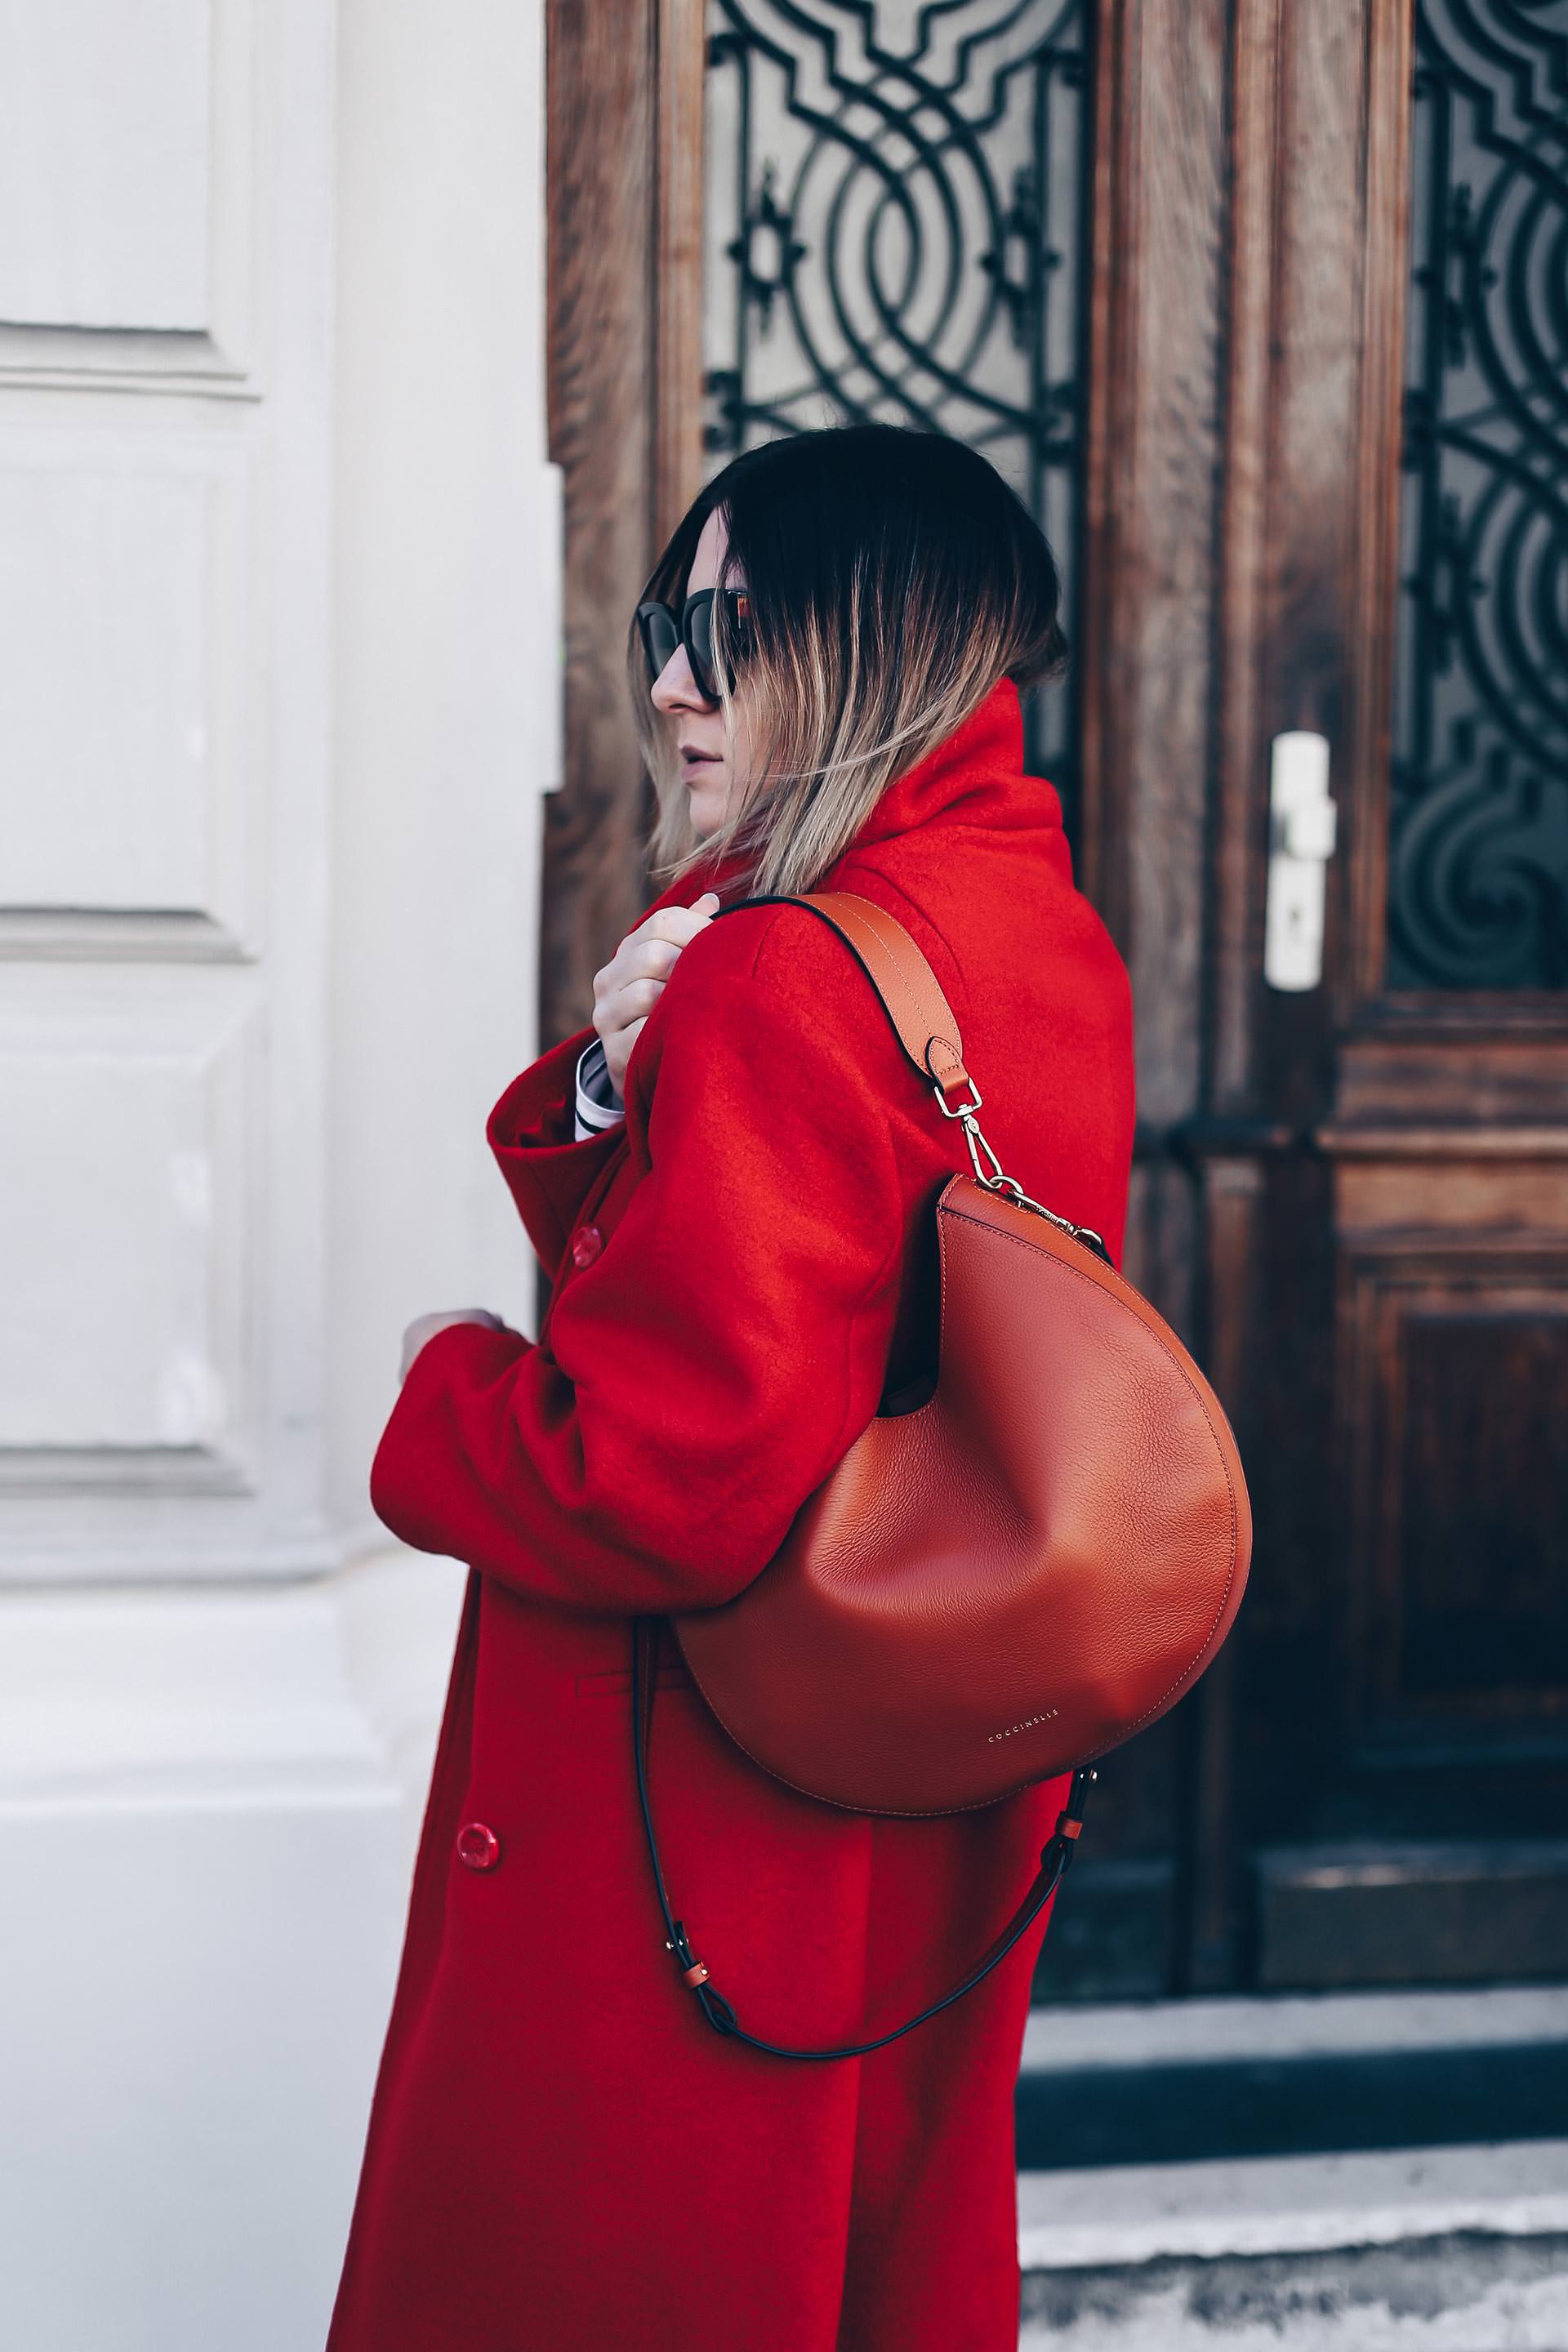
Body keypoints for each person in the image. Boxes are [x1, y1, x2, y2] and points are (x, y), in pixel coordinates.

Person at [324, 423, 1135, 2352]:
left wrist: (440, 1400)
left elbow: (659, 1484)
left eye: (727, 626)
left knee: (628, 2262)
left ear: (875, 640)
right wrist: (629, 1085)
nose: (673, 681)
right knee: (871, 2246)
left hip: (702, 1785)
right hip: (927, 1747)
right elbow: (859, 1313)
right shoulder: (1030, 929)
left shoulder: (789, 972)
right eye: (659, 625)